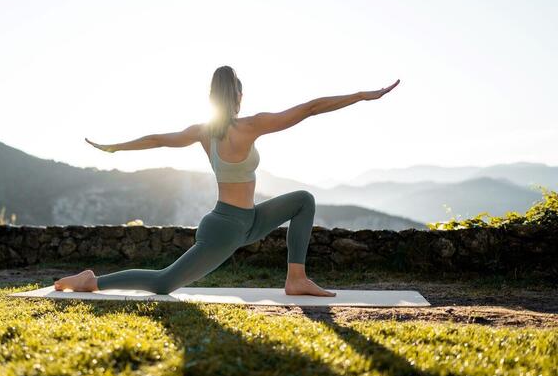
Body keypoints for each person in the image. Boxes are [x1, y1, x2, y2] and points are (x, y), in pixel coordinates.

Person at [55, 66, 400, 296]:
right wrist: (360, 96)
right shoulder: (247, 126)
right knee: (163, 283)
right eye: (241, 92)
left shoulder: (207, 131)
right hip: (223, 228)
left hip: (250, 221)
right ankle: (93, 280)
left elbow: (158, 138)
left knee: (303, 200)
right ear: (236, 95)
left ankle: (296, 278)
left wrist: (117, 147)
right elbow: (310, 108)